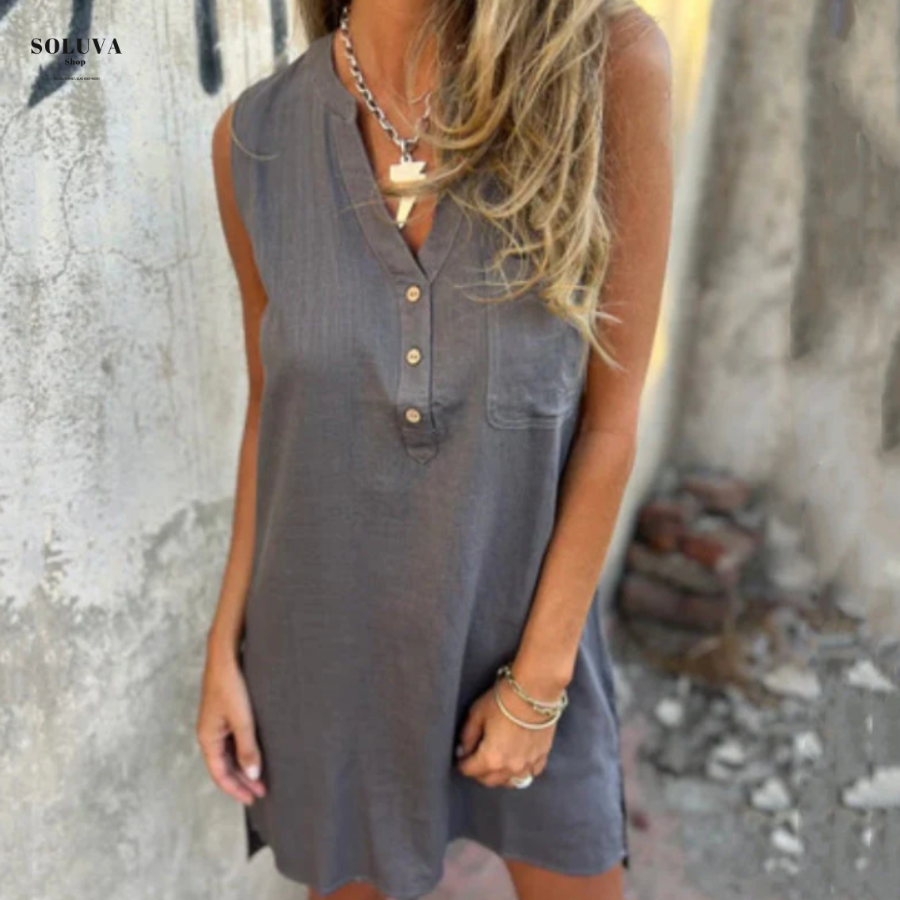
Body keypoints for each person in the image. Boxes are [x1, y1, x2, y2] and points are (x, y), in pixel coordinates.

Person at [197, 1, 673, 898]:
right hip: (325, 649)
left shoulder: (603, 69)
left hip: (526, 640)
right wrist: (226, 643)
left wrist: (538, 685)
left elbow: (611, 422)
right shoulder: (252, 142)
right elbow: (273, 413)